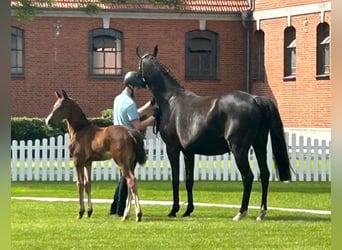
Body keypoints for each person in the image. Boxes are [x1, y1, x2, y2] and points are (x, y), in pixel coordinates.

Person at [109, 71, 158, 217]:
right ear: (131, 86)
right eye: (137, 87)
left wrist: (150, 104)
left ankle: (114, 207)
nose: (138, 90)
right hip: (128, 143)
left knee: (122, 175)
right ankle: (119, 210)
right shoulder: (129, 103)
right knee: (127, 176)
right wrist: (153, 118)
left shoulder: (118, 99)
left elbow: (134, 113)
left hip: (115, 142)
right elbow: (136, 125)